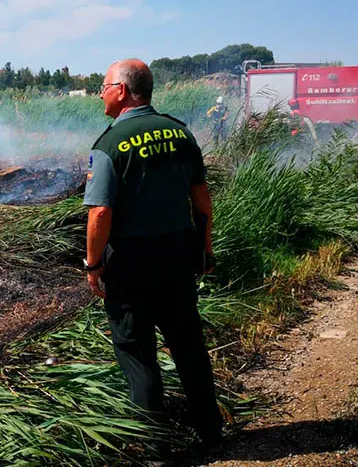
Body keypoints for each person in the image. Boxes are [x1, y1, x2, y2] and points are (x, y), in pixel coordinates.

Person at [83, 59, 224, 446]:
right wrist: (205, 248)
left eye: (104, 85)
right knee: (188, 344)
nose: (100, 93)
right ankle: (210, 430)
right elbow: (202, 201)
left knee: (136, 350)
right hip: (178, 258)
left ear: (122, 91)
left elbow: (99, 212)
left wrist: (93, 264)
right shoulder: (181, 134)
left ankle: (156, 444)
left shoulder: (109, 144)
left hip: (130, 264)